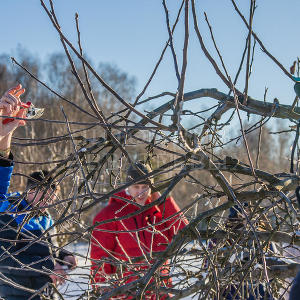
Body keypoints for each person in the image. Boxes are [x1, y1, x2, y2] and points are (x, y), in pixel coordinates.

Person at [0, 85, 77, 299]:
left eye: (52, 197)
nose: (48, 202)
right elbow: (6, 261)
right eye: (44, 195)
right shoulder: (9, 211)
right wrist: (48, 268)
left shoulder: (45, 217)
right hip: (17, 294)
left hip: (44, 293)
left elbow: (46, 250)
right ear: (30, 191)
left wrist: (63, 257)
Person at [90, 161, 188, 299]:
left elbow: (185, 233)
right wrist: (102, 288)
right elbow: (99, 256)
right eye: (136, 187)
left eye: (145, 187)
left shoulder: (159, 213)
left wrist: (164, 201)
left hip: (159, 292)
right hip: (128, 293)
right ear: (127, 187)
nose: (141, 192)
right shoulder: (110, 215)